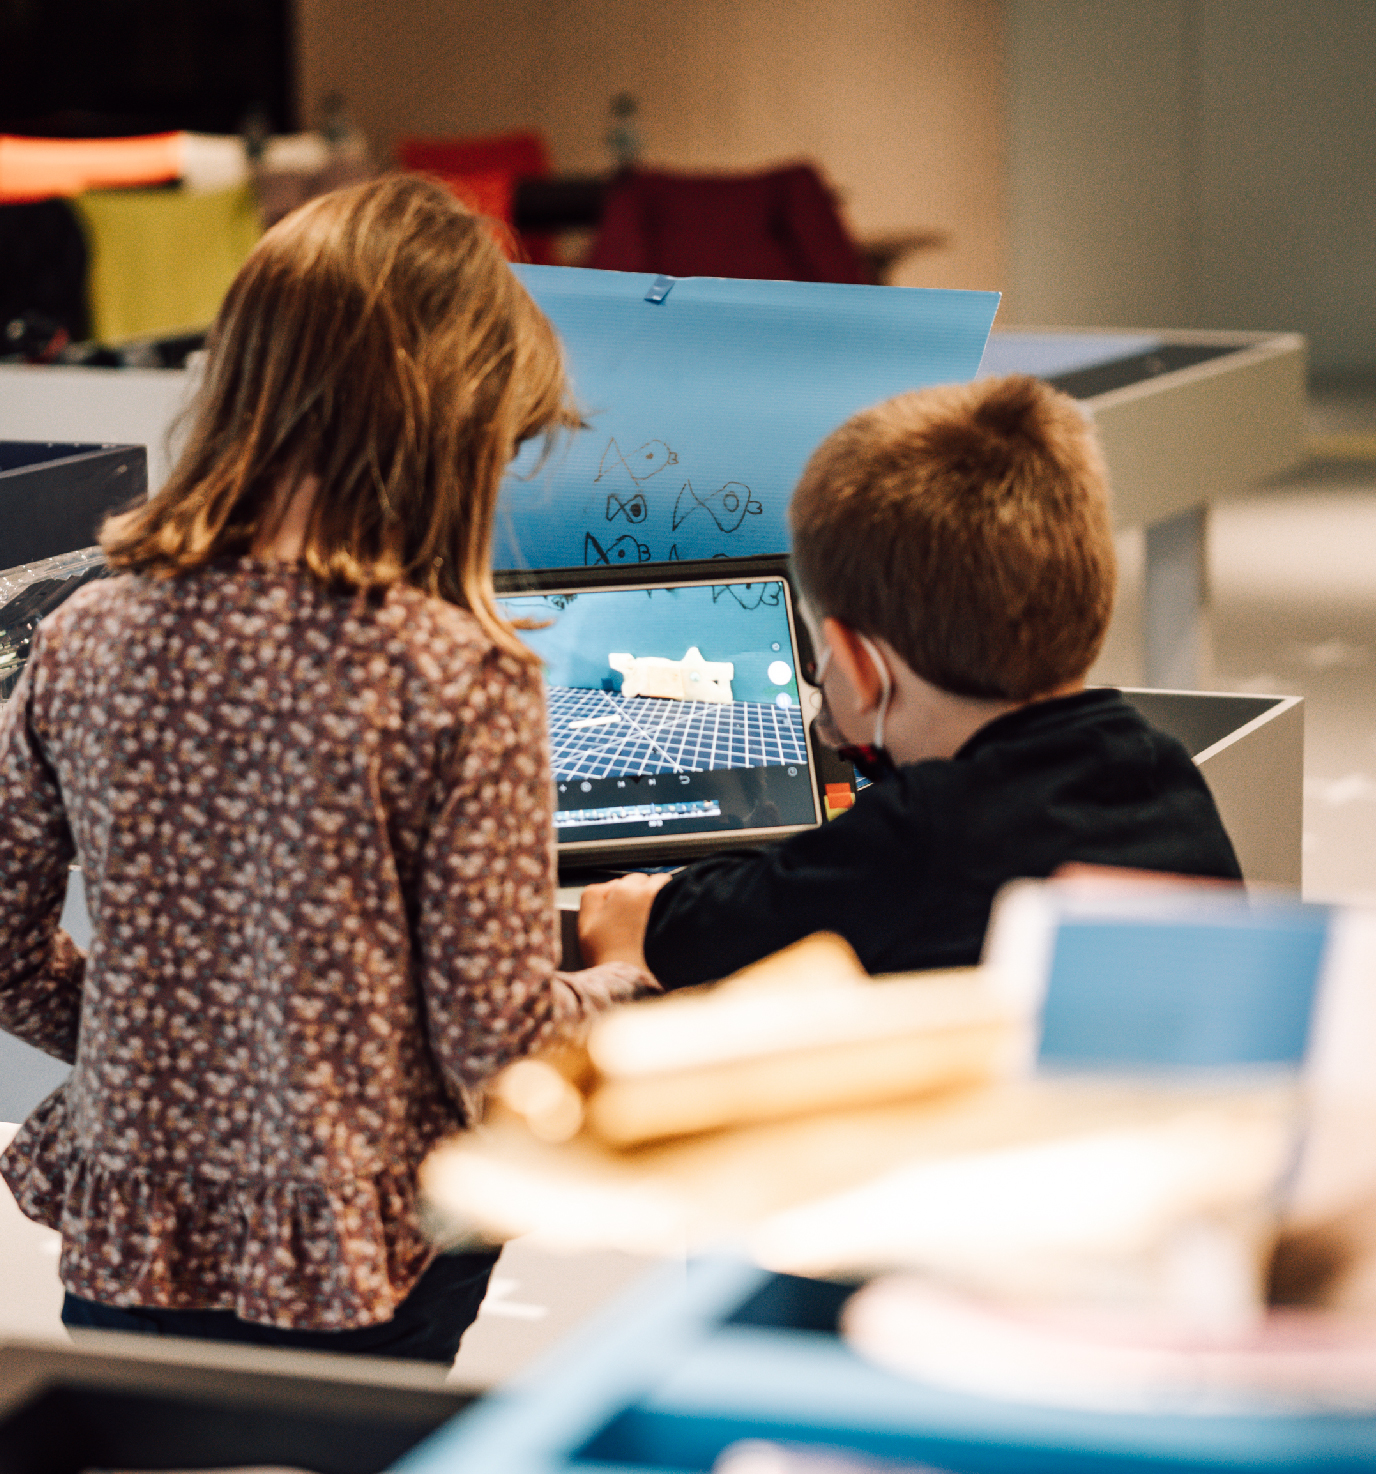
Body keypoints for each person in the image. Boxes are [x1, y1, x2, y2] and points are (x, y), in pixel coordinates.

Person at [0, 175, 653, 1363]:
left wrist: (171, 1050)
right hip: (367, 1260)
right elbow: (497, 1049)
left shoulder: (82, 635)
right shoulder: (455, 675)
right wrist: (622, 973)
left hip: (134, 1231)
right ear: (442, 427)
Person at [579, 374, 1242, 988]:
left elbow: (695, 931)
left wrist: (631, 929)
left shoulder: (918, 834)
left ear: (862, 668)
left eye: (825, 659)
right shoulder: (1166, 772)